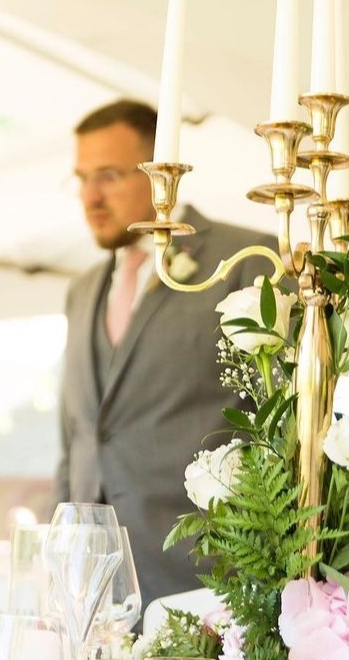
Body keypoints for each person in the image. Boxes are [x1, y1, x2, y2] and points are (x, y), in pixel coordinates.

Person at [55, 99, 278, 612]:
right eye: (81, 178)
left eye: (108, 176)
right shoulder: (82, 291)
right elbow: (76, 440)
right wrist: (57, 557)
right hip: (87, 594)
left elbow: (284, 430)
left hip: (206, 589)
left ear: (163, 176)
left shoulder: (244, 261)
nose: (90, 197)